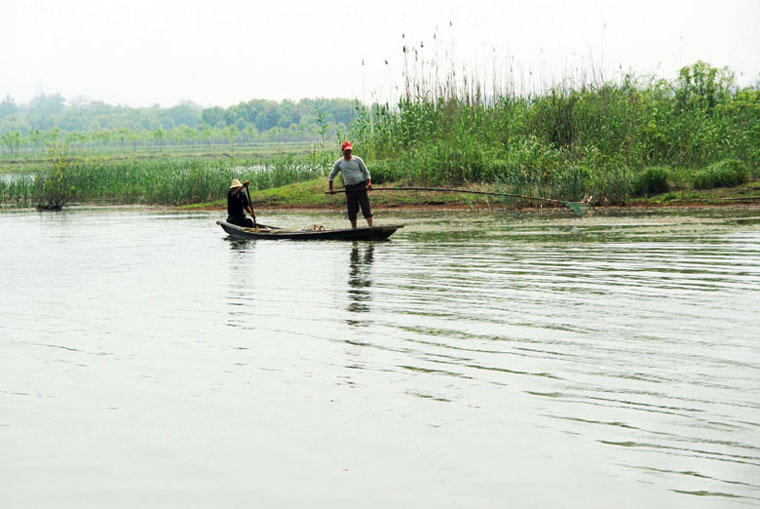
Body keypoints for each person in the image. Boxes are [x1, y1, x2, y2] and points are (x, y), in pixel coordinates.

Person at [328, 142, 373, 229]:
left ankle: (371, 227)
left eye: (349, 151)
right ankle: (354, 229)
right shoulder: (339, 163)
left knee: (366, 207)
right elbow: (331, 176)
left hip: (360, 187)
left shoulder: (357, 160)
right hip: (349, 189)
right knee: (352, 210)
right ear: (342, 151)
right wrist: (331, 188)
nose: (348, 152)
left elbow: (366, 173)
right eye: (346, 151)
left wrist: (369, 183)